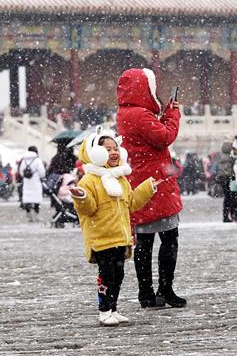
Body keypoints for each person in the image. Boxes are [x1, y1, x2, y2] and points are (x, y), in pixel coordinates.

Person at [69, 128, 161, 326]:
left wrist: (148, 187)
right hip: (101, 237)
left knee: (118, 275)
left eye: (115, 148)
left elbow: (132, 202)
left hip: (120, 236)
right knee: (106, 275)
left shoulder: (120, 178)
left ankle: (113, 307)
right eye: (107, 149)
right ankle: (104, 310)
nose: (113, 152)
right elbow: (89, 209)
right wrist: (81, 197)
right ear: (95, 153)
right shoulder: (89, 180)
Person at [116, 68, 185, 309]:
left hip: (141, 182)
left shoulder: (125, 113)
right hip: (156, 183)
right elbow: (165, 137)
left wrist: (164, 113)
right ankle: (165, 288)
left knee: (144, 242)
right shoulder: (141, 115)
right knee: (169, 238)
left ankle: (145, 292)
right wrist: (173, 114)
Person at [19, 149, 46, 222]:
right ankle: (36, 216)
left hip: (27, 182)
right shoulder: (37, 160)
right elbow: (42, 172)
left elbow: (21, 172)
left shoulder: (24, 160)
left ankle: (29, 216)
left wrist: (27, 175)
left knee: (27, 199)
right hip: (36, 182)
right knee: (36, 199)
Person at [216, 140, 237, 223]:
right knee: (234, 197)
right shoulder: (231, 155)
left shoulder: (220, 155)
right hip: (231, 178)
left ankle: (225, 216)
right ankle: (234, 215)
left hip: (222, 178)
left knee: (227, 198)